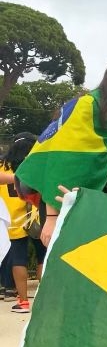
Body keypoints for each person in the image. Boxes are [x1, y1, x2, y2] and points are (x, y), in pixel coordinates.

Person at [16, 46, 107, 247]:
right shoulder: (86, 106)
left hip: (92, 198)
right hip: (58, 198)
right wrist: (52, 217)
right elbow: (61, 160)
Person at [0, 133, 46, 313]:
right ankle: (44, 299)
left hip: (13, 219)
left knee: (18, 259)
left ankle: (23, 302)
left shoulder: (3, 166)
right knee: (42, 256)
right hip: (37, 216)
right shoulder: (38, 164)